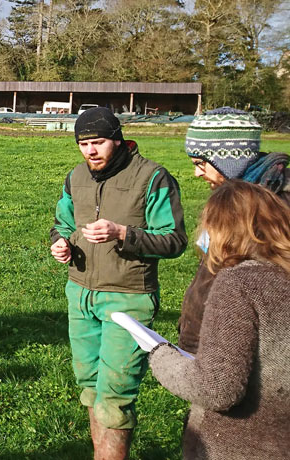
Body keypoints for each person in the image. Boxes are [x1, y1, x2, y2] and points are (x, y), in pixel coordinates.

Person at [49, 107, 186, 459]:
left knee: (115, 395)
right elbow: (63, 222)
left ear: (118, 139)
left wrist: (123, 233)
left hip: (128, 299)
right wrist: (61, 243)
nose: (90, 151)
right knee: (91, 389)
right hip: (80, 294)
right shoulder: (75, 177)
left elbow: (174, 240)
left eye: (98, 142)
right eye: (83, 144)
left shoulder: (152, 177)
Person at [149, 180, 290, 459]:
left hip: (239, 445)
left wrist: (160, 356)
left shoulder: (240, 283)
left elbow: (217, 389)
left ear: (219, 229)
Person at [178, 110, 289, 353]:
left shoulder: (275, 207)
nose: (196, 173)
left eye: (200, 163)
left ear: (229, 160)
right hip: (214, 338)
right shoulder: (230, 202)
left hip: (247, 349)